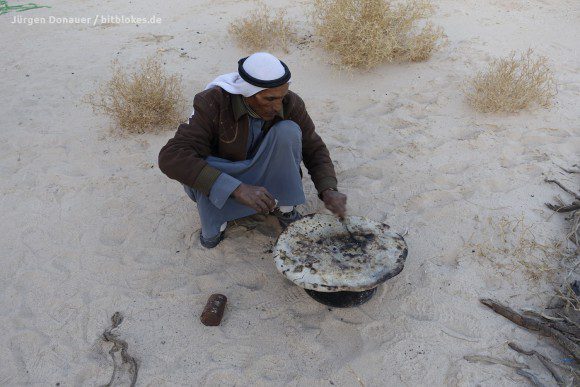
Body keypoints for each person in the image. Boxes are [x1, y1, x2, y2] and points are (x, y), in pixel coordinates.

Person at [158, 52, 347, 248]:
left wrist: (328, 189)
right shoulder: (213, 103)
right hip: (228, 176)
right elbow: (171, 156)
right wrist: (236, 188)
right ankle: (217, 221)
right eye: (269, 99)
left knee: (288, 131)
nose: (277, 106)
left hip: (264, 169)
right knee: (204, 162)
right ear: (247, 93)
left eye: (281, 97)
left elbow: (313, 147)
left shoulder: (291, 103)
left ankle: (284, 208)